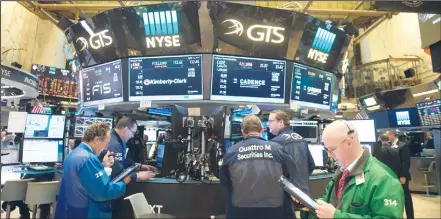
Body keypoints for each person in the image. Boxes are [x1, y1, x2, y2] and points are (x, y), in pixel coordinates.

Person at [301, 120, 404, 219]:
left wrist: (336, 216)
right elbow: (331, 203)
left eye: (332, 149)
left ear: (349, 143)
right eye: (327, 150)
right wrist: (311, 207)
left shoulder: (384, 179)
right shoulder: (342, 172)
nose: (329, 155)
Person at [220, 114, 297, 219]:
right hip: (276, 213)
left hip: (240, 213)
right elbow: (291, 175)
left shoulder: (231, 152)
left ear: (243, 132)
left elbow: (225, 182)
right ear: (262, 130)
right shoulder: (278, 149)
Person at [54, 123, 134, 218]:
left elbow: (87, 180)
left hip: (71, 211)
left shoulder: (74, 154)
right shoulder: (88, 159)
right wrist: (125, 182)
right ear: (96, 140)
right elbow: (102, 192)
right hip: (85, 212)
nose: (106, 147)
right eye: (106, 143)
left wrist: (104, 166)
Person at [106, 116, 156, 218]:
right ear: (125, 129)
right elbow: (117, 175)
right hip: (110, 194)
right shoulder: (114, 144)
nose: (132, 136)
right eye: (132, 132)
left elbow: (122, 162)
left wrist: (139, 166)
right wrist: (137, 176)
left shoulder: (117, 140)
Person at [267, 110, 315, 197]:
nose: (268, 124)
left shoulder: (275, 143)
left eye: (270, 121)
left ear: (281, 122)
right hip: (303, 194)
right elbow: (311, 165)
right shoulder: (301, 139)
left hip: (286, 194)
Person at [388, 130, 414, 219]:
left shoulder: (403, 145)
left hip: (401, 177)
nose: (388, 136)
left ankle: (410, 216)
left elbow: (406, 162)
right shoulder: (390, 145)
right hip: (393, 176)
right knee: (397, 198)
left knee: (406, 198)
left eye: (389, 134)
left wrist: (403, 176)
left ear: (393, 135)